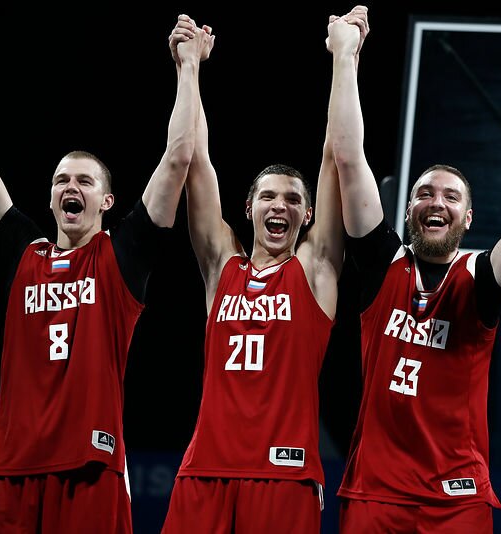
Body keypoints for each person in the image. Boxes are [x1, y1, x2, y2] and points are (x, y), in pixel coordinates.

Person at [0, 17, 212, 533]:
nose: (71, 187)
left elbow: (178, 157)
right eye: (61, 180)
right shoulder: (23, 254)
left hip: (90, 469)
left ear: (106, 200)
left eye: (84, 181)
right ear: (52, 197)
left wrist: (189, 68)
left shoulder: (122, 256)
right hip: (9, 466)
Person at [326, 7, 501, 531]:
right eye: (424, 193)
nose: (436, 202)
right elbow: (348, 157)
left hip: (455, 498)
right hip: (374, 492)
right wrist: (345, 57)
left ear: (469, 216)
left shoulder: (480, 278)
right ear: (407, 207)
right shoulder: (378, 262)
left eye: (451, 196)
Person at [159, 10, 367, 533]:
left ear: (309, 215)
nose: (282, 205)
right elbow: (193, 158)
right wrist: (189, 68)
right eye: (269, 196)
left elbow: (337, 156)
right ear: (248, 208)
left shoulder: (315, 270)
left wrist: (345, 57)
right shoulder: (219, 265)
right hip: (204, 468)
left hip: (284, 476)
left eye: (294, 199)